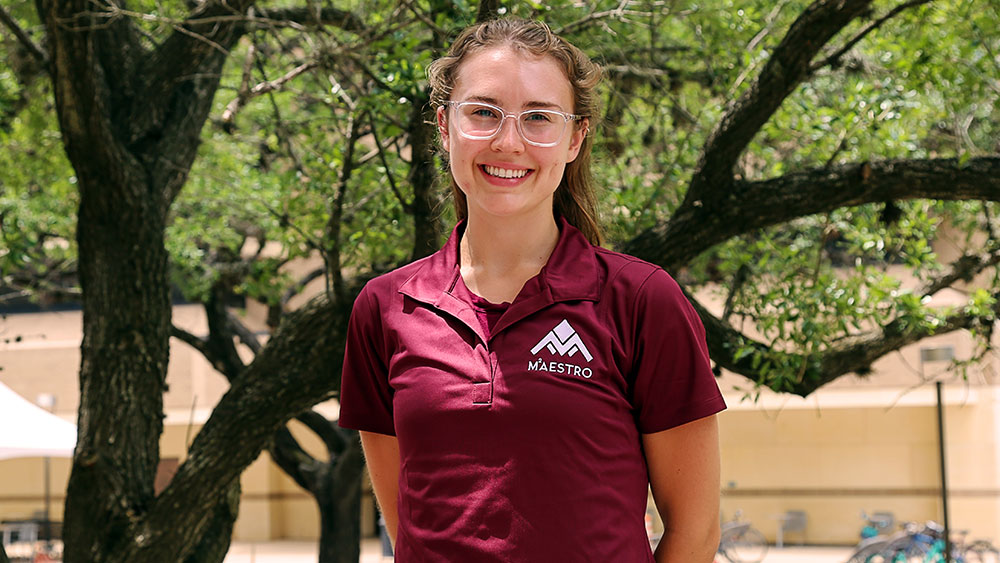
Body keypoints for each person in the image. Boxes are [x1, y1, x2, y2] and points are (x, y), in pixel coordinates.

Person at [338, 18, 726, 562]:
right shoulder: (384, 308)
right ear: (445, 128)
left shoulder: (642, 301)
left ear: (575, 139)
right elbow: (408, 527)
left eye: (539, 117)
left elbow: (696, 533)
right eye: (483, 113)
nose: (508, 141)